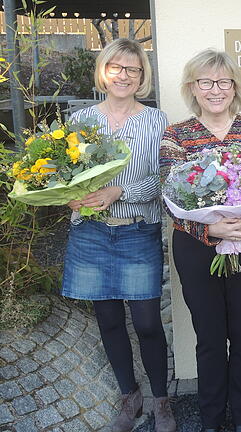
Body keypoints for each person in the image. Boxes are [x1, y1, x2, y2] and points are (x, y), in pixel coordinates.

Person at [159, 49, 241, 432]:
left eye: (223, 81)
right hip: (197, 248)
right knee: (209, 337)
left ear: (234, 87)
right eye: (205, 82)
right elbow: (171, 197)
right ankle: (211, 419)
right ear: (193, 87)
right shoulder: (176, 135)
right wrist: (208, 230)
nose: (215, 90)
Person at [61, 38, 175, 432]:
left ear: (142, 76)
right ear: (104, 71)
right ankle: (131, 397)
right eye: (116, 67)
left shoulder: (157, 121)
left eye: (133, 69)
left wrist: (120, 191)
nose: (124, 75)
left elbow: (164, 179)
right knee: (108, 319)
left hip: (137, 230)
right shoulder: (81, 122)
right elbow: (67, 175)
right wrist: (69, 196)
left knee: (146, 321)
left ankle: (162, 400)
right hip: (90, 232)